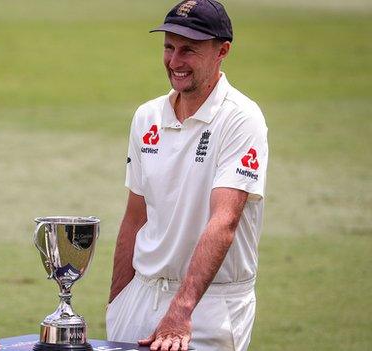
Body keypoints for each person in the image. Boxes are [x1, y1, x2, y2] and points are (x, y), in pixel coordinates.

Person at [105, 1, 268, 351]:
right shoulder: (146, 116)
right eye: (169, 47)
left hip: (209, 307)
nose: (175, 62)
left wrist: (180, 310)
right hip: (141, 296)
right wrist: (117, 302)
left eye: (189, 50)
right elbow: (135, 216)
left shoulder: (242, 119)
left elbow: (224, 222)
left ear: (222, 51)